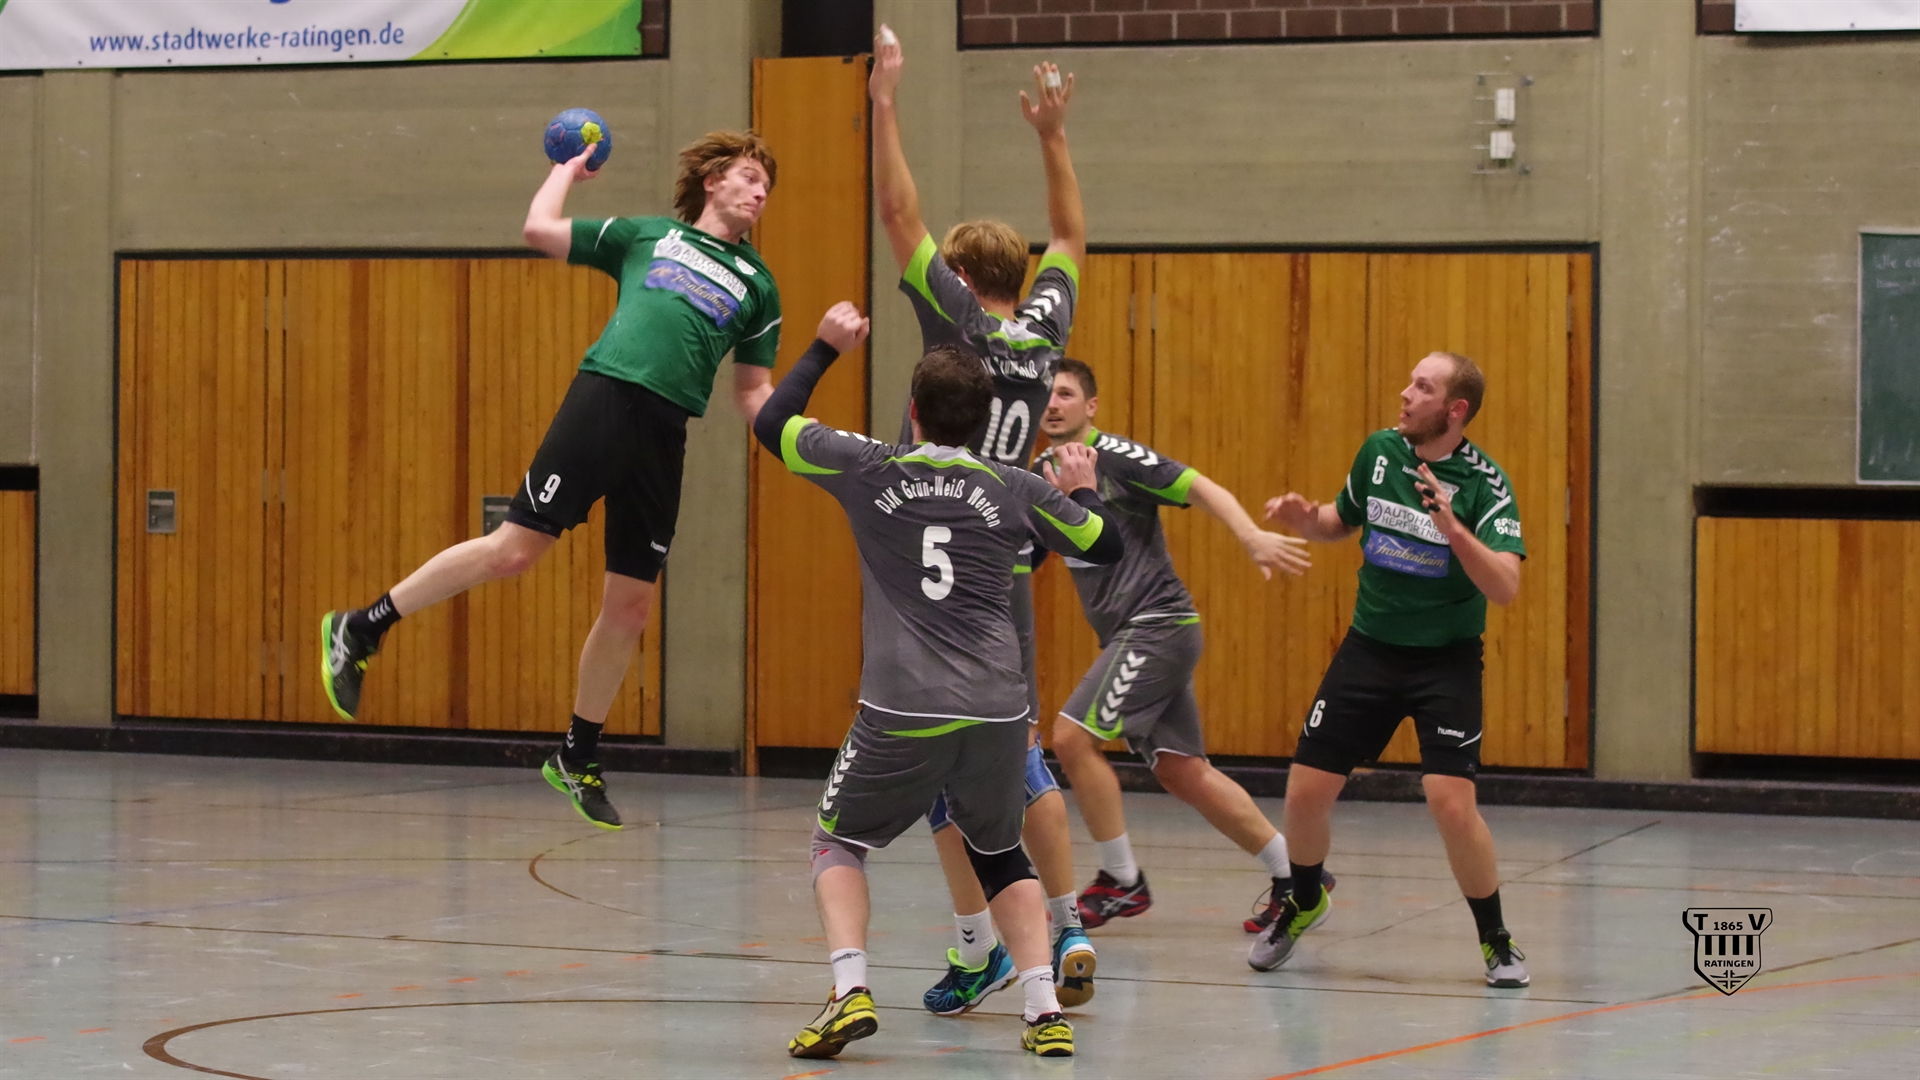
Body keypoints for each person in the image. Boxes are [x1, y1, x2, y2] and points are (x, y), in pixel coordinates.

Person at [320, 131, 783, 831]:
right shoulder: (646, 236)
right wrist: (566, 170)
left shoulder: (758, 285)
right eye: (748, 176)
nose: (759, 191)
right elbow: (539, 228)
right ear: (713, 181)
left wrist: (797, 433)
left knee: (631, 606)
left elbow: (753, 390)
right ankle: (362, 627)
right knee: (513, 552)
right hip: (605, 399)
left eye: (766, 185)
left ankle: (576, 755)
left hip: (666, 434)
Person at [754, 310, 1124, 1060]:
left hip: (903, 704)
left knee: (837, 841)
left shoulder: (867, 466)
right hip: (997, 708)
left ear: (914, 410)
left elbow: (771, 422)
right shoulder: (1015, 487)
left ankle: (850, 992)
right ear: (984, 421)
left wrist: (825, 347)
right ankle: (1043, 1009)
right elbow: (1104, 543)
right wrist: (1084, 489)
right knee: (1000, 850)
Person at [867, 26, 1100, 1011]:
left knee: (940, 757)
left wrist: (884, 102)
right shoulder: (1043, 331)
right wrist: (1052, 135)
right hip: (1006, 565)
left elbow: (896, 211)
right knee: (1010, 750)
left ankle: (984, 947)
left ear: (961, 277)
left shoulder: (954, 324)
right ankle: (1062, 922)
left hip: (935, 566)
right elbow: (1072, 239)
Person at [1257, 351, 1529, 988]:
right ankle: (1305, 899)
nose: (1405, 394)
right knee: (1304, 792)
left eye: (1422, 387)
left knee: (1450, 803)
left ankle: (1496, 938)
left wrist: (1454, 530)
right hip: (1370, 649)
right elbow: (1341, 520)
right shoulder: (1380, 452)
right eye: (1410, 382)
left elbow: (1506, 586)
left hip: (1445, 661)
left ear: (1454, 410)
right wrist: (1308, 521)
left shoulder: (1487, 485)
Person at [1035, 360, 1317, 937]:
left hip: (1157, 625)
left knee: (1071, 738)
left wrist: (1251, 535)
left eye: (1066, 393)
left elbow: (1200, 486)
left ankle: (1121, 880)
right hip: (1133, 634)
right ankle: (1295, 875)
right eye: (1046, 394)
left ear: (1091, 406)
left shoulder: (1115, 457)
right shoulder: (1040, 473)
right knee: (1182, 770)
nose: (1054, 403)